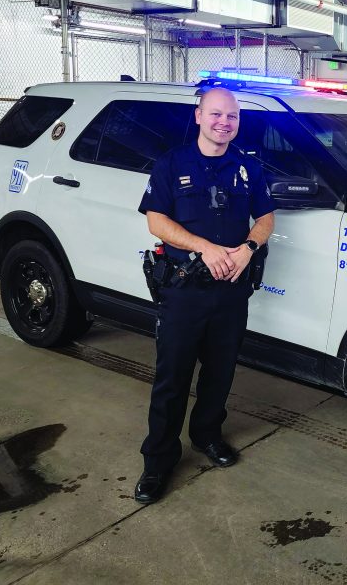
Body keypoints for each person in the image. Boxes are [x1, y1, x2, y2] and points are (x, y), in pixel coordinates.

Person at [133, 86, 275, 504]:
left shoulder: (247, 167)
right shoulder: (171, 164)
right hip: (184, 289)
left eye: (231, 116)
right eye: (215, 115)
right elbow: (156, 221)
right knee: (172, 377)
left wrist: (249, 249)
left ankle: (207, 436)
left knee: (220, 372)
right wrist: (205, 248)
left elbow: (265, 216)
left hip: (231, 291)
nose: (223, 123)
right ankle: (158, 460)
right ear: (198, 116)